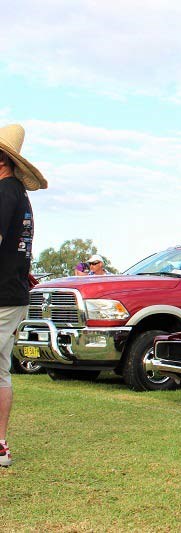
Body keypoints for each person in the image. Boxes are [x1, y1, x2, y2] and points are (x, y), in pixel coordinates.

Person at [0, 124, 47, 467]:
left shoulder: (4, 192)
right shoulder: (18, 194)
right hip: (12, 293)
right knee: (1, 371)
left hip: (1, 295)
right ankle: (0, 445)